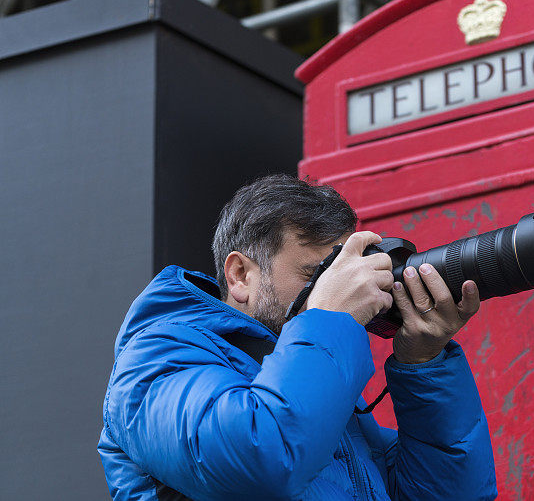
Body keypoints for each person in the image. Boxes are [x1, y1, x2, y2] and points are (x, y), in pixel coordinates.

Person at [98, 175, 497, 500]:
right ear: (240, 276)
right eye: (314, 275)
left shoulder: (304, 370)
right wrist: (328, 316)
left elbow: (448, 493)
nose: (340, 290)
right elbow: (261, 461)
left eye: (340, 274)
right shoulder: (154, 360)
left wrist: (423, 361)